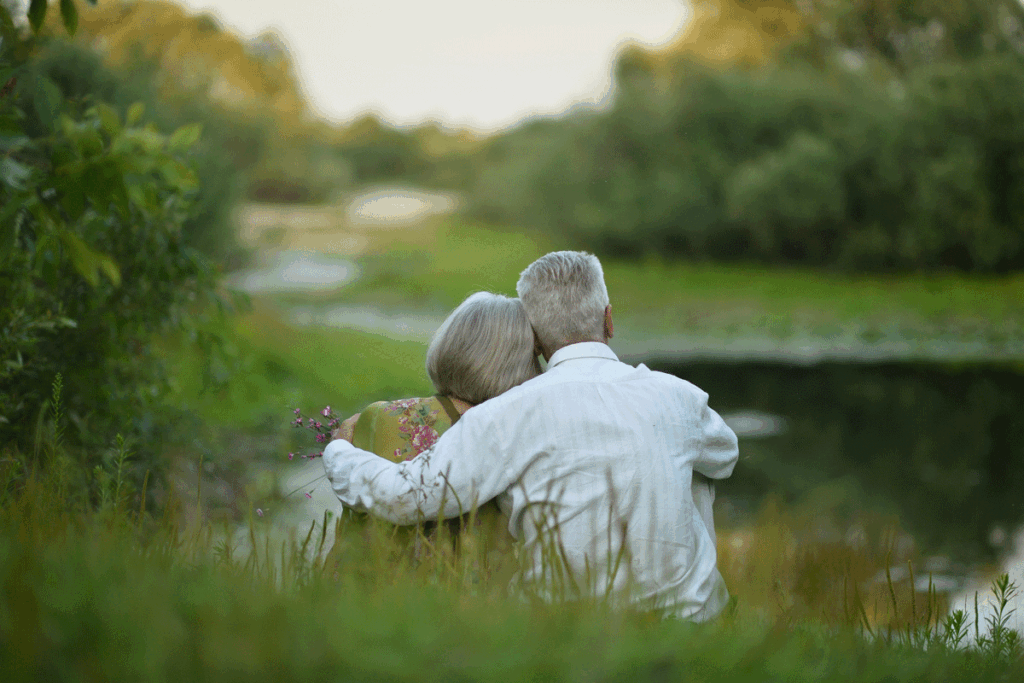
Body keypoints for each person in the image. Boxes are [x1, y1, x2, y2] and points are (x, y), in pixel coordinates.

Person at [324, 251, 738, 620]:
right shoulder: (679, 396)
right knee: (696, 470)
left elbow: (405, 496)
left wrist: (340, 450)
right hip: (693, 626)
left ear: (536, 342)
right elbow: (727, 455)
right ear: (609, 319)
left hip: (564, 631)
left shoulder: (509, 413)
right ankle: (679, 592)